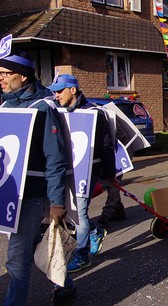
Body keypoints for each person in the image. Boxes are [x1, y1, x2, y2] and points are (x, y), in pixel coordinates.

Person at [0, 53, 75, 305]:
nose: (0, 79)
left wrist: (56, 202)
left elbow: (55, 157)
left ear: (22, 76)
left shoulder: (42, 108)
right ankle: (65, 285)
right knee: (32, 247)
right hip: (10, 194)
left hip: (33, 195)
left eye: (5, 74)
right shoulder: (4, 106)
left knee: (16, 256)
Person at [48, 74, 116, 273]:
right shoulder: (57, 112)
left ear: (73, 90)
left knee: (80, 215)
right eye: (55, 91)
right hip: (64, 170)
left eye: (60, 90)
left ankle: (82, 255)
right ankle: (94, 232)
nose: (56, 94)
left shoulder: (94, 113)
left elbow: (107, 146)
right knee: (68, 212)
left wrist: (109, 174)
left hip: (87, 171)